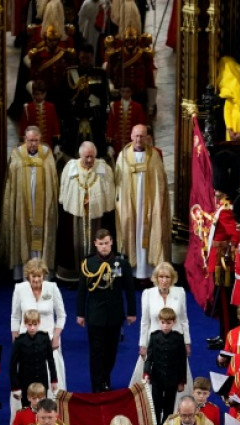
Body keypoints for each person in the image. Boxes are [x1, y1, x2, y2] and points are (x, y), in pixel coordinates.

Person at [76, 229, 136, 392]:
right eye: (100, 244)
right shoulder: (88, 264)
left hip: (115, 314)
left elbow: (129, 289)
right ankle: (97, 385)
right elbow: (82, 290)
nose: (104, 247)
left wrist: (131, 312)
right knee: (96, 353)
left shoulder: (121, 263)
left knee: (111, 352)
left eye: (107, 243)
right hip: (95, 315)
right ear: (95, 244)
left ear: (112, 243)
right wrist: (80, 314)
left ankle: (105, 379)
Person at [114, 124, 170, 280]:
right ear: (131, 136)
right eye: (136, 136)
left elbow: (160, 182)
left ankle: (148, 273)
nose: (139, 139)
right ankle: (130, 272)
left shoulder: (154, 156)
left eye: (142, 136)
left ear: (147, 137)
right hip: (130, 206)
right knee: (130, 234)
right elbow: (118, 183)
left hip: (149, 205)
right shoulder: (123, 156)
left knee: (150, 232)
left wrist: (157, 202)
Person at [2, 126, 59, 278]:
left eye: (35, 140)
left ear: (40, 139)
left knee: (42, 232)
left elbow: (53, 181)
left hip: (41, 203)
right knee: (23, 231)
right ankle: (21, 273)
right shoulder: (17, 154)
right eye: (29, 140)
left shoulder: (46, 154)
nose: (32, 144)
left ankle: (43, 271)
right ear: (24, 139)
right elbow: (11, 181)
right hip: (23, 203)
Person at [132, 262, 191, 392]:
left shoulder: (180, 292)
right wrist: (143, 344)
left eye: (167, 277)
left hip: (176, 342)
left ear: (173, 278)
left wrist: (186, 342)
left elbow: (183, 319)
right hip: (154, 344)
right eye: (161, 277)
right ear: (156, 278)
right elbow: (144, 321)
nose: (164, 280)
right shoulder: (147, 294)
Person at [59, 141, 116, 274]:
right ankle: (76, 272)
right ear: (80, 155)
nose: (90, 160)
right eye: (86, 157)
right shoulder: (71, 167)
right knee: (75, 243)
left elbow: (109, 191)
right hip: (77, 214)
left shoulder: (103, 168)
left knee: (97, 241)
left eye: (92, 156)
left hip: (96, 216)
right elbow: (65, 189)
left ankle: (97, 271)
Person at [11, 258, 66, 393]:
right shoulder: (20, 289)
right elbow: (15, 316)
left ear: (44, 275)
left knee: (51, 377)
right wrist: (16, 338)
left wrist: (56, 336)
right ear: (28, 276)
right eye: (33, 276)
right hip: (26, 339)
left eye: (39, 276)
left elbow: (61, 316)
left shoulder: (52, 288)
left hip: (49, 339)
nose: (36, 279)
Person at [143, 308, 189, 425]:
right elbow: (149, 359)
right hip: (157, 379)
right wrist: (147, 373)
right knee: (156, 407)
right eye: (163, 322)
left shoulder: (178, 338)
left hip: (172, 380)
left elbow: (182, 361)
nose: (165, 326)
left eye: (168, 323)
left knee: (169, 408)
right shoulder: (154, 337)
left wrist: (181, 381)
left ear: (174, 322)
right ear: (159, 321)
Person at [10, 309, 57, 405]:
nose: (32, 328)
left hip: (42, 380)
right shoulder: (19, 341)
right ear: (25, 324)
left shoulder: (44, 338)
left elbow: (50, 360)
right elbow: (13, 365)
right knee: (27, 408)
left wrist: (53, 379)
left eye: (35, 325)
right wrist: (15, 387)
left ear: (39, 323)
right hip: (25, 382)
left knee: (43, 406)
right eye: (29, 325)